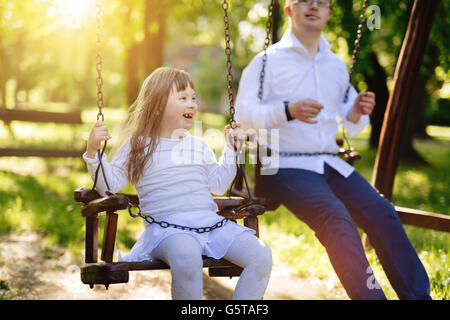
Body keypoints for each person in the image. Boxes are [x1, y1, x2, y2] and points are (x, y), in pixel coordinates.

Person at [235, 0, 431, 300]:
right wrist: (287, 111)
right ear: (289, 9)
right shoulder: (266, 62)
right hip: (282, 164)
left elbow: (350, 119)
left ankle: (419, 297)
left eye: (322, 2)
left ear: (328, 13)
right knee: (336, 219)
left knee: (382, 213)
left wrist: (356, 110)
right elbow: (243, 115)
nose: (314, 6)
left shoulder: (335, 65)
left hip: (329, 161)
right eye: (305, 1)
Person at [83, 67, 272, 300]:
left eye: (193, 98)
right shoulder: (138, 145)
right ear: (158, 104)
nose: (192, 103)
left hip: (211, 226)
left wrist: (232, 149)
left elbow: (219, 184)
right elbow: (108, 186)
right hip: (167, 230)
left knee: (261, 255)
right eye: (182, 98)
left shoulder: (198, 146)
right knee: (187, 254)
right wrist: (93, 152)